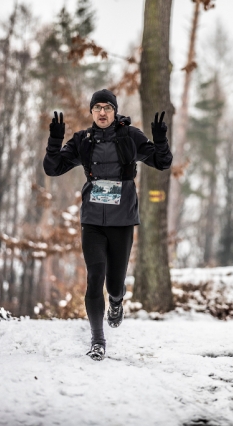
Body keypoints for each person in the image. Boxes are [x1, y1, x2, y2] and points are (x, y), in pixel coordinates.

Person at [43, 89, 172, 361]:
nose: (102, 112)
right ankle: (98, 340)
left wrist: (160, 141)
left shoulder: (131, 137)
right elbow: (52, 168)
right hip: (92, 221)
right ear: (91, 112)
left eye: (108, 108)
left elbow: (162, 162)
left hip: (122, 220)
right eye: (97, 107)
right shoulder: (83, 140)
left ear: (115, 111)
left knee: (114, 284)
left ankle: (116, 302)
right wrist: (55, 141)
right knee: (94, 279)